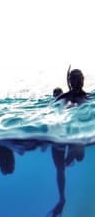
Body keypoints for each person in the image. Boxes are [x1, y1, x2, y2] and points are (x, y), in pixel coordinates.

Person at [49, 68, 88, 217]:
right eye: (74, 79)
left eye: (79, 78)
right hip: (59, 133)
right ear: (70, 82)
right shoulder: (62, 98)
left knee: (79, 155)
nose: (77, 82)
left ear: (83, 80)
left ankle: (68, 160)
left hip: (75, 134)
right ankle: (62, 199)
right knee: (60, 169)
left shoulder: (87, 98)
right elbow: (50, 112)